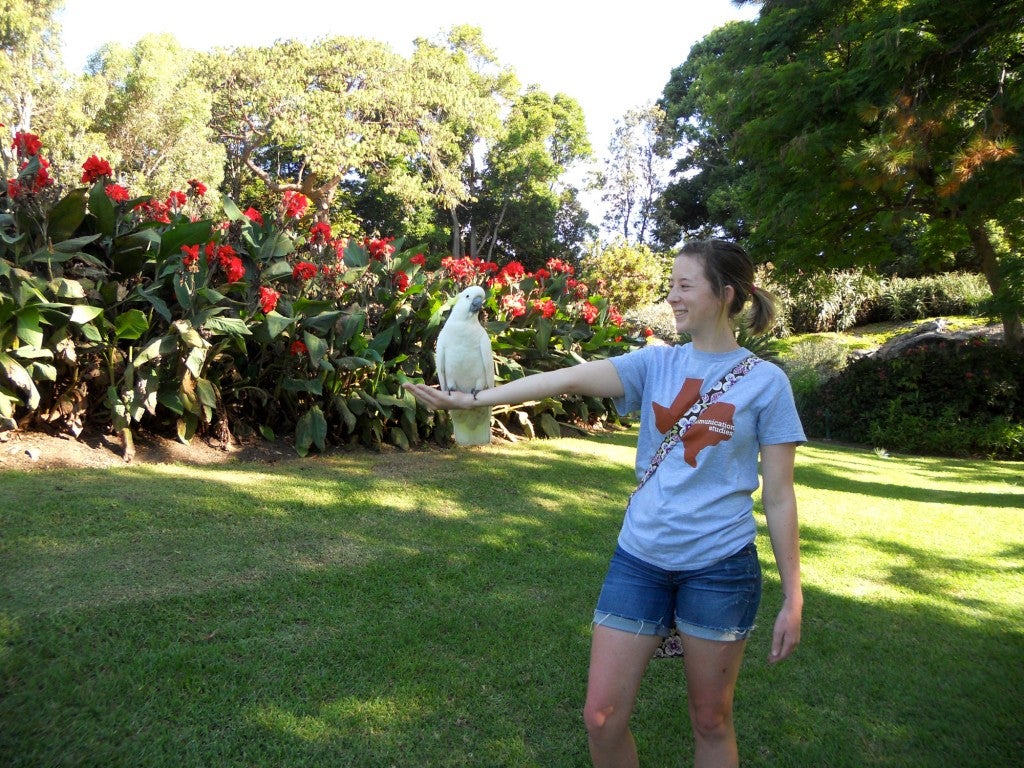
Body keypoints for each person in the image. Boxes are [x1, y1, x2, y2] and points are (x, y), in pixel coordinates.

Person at [405, 239, 804, 768]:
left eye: (685, 286)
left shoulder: (767, 384)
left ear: (726, 294)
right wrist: (473, 399)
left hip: (720, 568)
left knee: (711, 719)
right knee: (601, 716)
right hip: (639, 559)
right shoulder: (655, 364)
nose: (672, 298)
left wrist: (793, 596)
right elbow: (565, 379)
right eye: (671, 286)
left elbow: (778, 496)